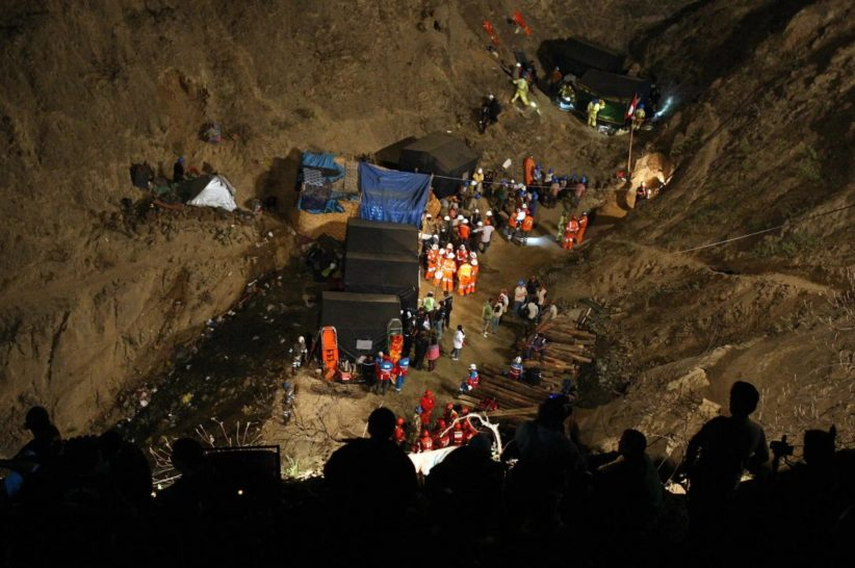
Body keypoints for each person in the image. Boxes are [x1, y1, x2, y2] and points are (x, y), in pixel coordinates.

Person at [683, 380, 770, 544]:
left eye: (733, 398)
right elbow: (763, 457)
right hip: (729, 486)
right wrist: (744, 462)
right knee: (719, 528)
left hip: (704, 483)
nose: (730, 401)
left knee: (697, 529)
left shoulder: (718, 424)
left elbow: (694, 443)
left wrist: (691, 467)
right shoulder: (756, 431)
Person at [324, 408, 418, 530]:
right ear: (392, 430)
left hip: (351, 517)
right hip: (386, 524)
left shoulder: (352, 450)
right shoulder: (401, 459)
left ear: (369, 427)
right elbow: (410, 491)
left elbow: (330, 471)